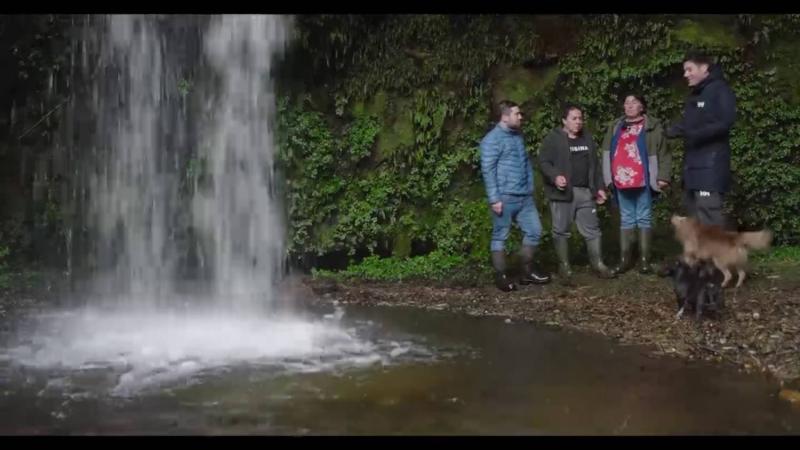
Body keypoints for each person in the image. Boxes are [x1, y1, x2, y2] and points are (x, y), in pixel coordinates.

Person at [480, 100, 551, 292]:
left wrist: (529, 188)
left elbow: (525, 163)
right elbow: (488, 170)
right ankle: (501, 275)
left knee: (535, 230)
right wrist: (494, 198)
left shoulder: (518, 136)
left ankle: (526, 270)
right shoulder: (491, 140)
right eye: (517, 114)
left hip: (524, 197)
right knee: (500, 235)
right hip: (504, 196)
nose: (520, 117)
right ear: (505, 116)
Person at [538, 103, 615, 280]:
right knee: (561, 230)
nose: (578, 122)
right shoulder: (553, 139)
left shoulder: (587, 139)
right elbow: (543, 162)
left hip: (586, 192)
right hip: (563, 193)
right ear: (564, 120)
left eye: (580, 118)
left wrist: (600, 188)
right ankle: (564, 267)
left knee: (593, 230)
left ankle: (598, 264)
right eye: (574, 118)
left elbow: (594, 167)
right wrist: (555, 176)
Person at [601, 93, 672, 274]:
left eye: (634, 102)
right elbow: (606, 152)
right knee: (626, 218)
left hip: (643, 180)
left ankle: (644, 261)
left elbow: (664, 153)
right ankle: (625, 260)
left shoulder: (653, 127)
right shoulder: (615, 126)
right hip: (621, 181)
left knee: (644, 217)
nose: (630, 105)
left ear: (642, 107)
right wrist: (608, 178)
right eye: (626, 102)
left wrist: (663, 176)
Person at [666, 51, 737, 228]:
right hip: (693, 168)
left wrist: (692, 133)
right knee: (694, 215)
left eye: (689, 69)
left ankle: (716, 255)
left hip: (710, 168)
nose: (685, 75)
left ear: (704, 68)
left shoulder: (719, 90)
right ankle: (699, 255)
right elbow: (690, 125)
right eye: (685, 70)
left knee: (709, 214)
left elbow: (725, 122)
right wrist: (670, 130)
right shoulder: (696, 95)